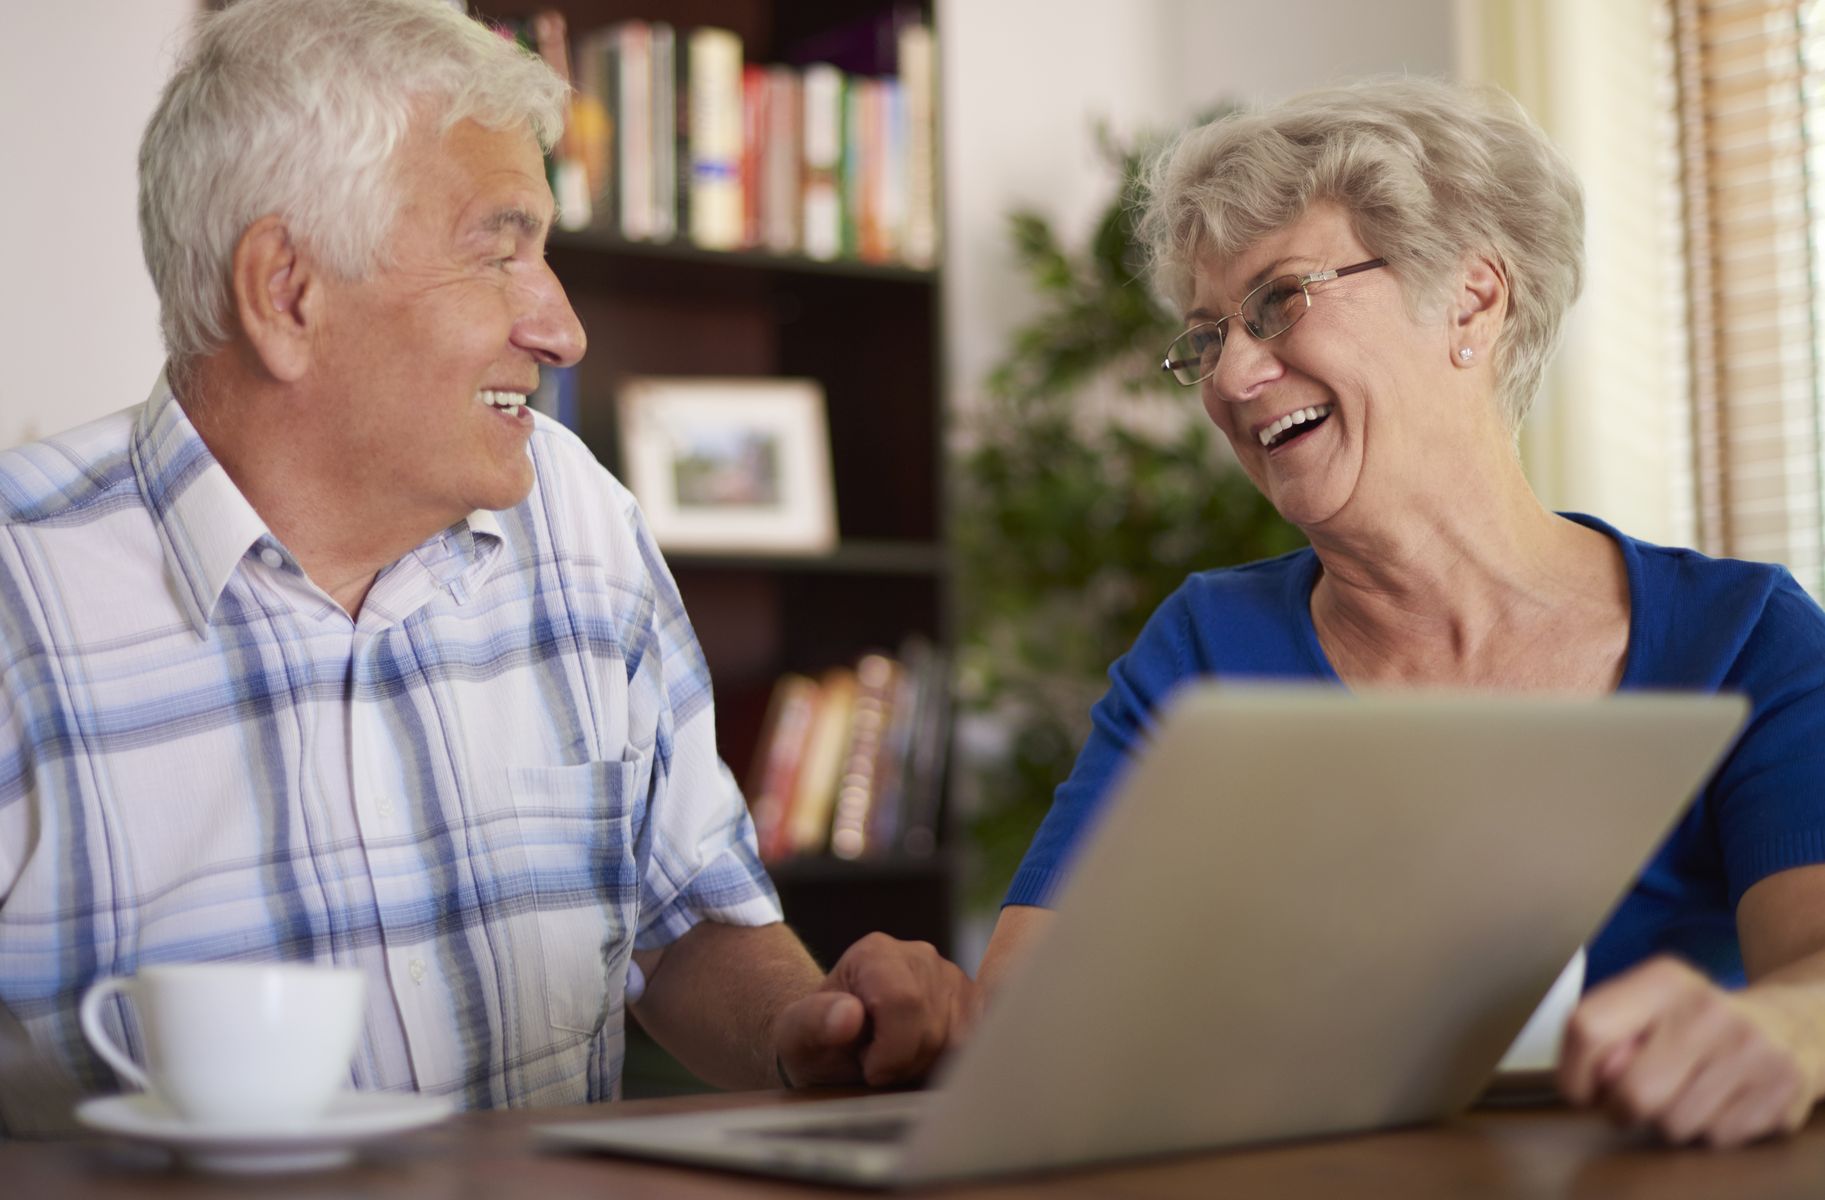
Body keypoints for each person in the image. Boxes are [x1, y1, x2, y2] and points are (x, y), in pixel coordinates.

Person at [0, 0, 972, 1136]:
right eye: (499, 249)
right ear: (286, 292)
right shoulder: (23, 589)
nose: (561, 328)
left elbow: (687, 915)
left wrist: (804, 1028)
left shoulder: (582, 520)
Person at [976, 77, 1825, 1149]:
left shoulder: (1741, 637)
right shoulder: (1206, 648)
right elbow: (1027, 1004)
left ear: (1472, 299)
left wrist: (1787, 1026)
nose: (1233, 375)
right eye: (1206, 337)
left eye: (1280, 301)